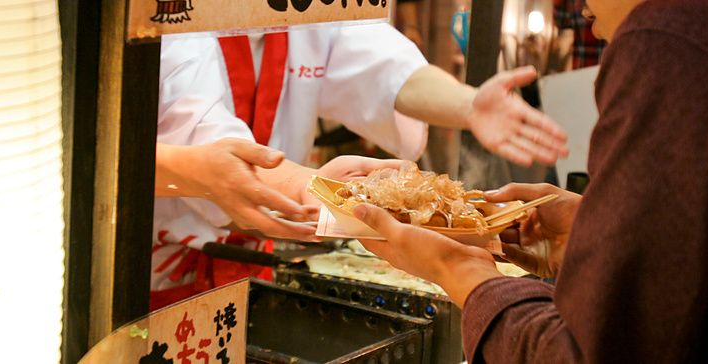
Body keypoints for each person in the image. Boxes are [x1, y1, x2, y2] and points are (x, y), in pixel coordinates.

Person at [352, 0, 708, 362]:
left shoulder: (678, 39)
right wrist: (600, 230)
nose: (577, 8)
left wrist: (462, 271)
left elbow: (591, 355)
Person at [151, 23, 569, 309]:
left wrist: (468, 104)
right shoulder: (176, 19)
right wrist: (312, 186)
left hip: (252, 263)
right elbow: (198, 128)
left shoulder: (302, 14)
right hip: (153, 265)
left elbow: (382, 67)